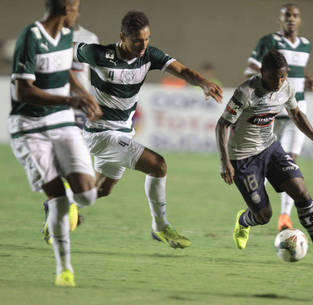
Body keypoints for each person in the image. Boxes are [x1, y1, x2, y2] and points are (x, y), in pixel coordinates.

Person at [73, 11, 223, 249]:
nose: (143, 45)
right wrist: (77, 90)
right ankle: (160, 226)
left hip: (123, 132)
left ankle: (62, 206)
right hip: (100, 133)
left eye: (147, 39)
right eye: (137, 40)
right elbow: (62, 53)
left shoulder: (149, 56)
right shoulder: (98, 53)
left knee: (102, 189)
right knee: (158, 165)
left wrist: (203, 82)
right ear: (123, 36)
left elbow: (182, 71)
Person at [216, 49, 313, 267]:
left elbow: (296, 115)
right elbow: (222, 124)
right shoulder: (246, 92)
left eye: (282, 76)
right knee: (264, 215)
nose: (279, 82)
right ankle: (243, 220)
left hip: (270, 148)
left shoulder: (287, 87)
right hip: (243, 157)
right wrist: (225, 162)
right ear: (262, 72)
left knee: (301, 191)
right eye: (273, 77)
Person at [8, 0, 102, 287]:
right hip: (30, 127)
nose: (78, 11)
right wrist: (69, 100)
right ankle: (65, 269)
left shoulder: (65, 36)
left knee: (87, 195)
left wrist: (82, 94)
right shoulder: (30, 37)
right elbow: (23, 90)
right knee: (58, 200)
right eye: (75, 6)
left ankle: (69, 199)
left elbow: (66, 73)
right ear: (65, 8)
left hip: (61, 123)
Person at [244, 3, 313, 231]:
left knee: (290, 163)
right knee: (265, 166)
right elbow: (250, 69)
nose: (291, 19)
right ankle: (256, 208)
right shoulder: (269, 41)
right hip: (271, 113)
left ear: (300, 19)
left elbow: (292, 70)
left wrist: (306, 80)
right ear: (281, 19)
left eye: (295, 16)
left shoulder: (306, 45)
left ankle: (285, 216)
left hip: (296, 113)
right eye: (287, 16)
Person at [42, 23, 100, 245]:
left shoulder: (89, 36)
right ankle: (61, 207)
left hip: (78, 108)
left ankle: (61, 208)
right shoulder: (43, 34)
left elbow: (96, 71)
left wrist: (95, 101)